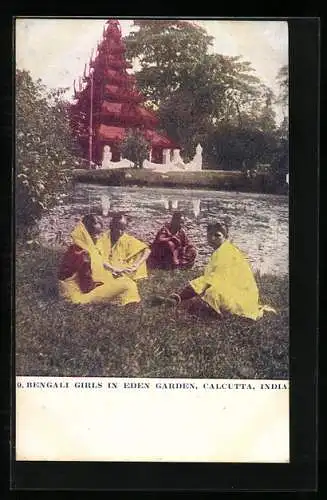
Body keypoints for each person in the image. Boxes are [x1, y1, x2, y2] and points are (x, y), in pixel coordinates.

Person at [152, 221, 276, 321]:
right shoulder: (222, 249)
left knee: (211, 292)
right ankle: (181, 301)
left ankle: (210, 312)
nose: (212, 238)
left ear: (226, 237)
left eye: (218, 235)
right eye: (210, 234)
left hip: (243, 295)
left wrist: (181, 295)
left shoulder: (226, 253)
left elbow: (210, 279)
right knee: (207, 292)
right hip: (238, 290)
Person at [58, 214, 140, 306]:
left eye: (99, 233)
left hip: (68, 293)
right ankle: (129, 305)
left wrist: (113, 270)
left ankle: (123, 301)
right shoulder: (84, 254)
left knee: (120, 279)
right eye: (94, 233)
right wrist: (103, 285)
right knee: (128, 284)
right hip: (77, 298)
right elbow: (86, 286)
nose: (97, 237)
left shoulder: (77, 247)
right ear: (85, 233)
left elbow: (98, 261)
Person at [101, 213, 151, 282]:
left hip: (122, 265)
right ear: (111, 226)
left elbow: (147, 250)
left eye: (123, 229)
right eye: (117, 228)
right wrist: (113, 268)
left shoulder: (125, 237)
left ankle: (120, 275)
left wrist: (136, 265)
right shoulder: (103, 238)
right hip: (107, 266)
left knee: (139, 256)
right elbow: (98, 258)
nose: (120, 232)